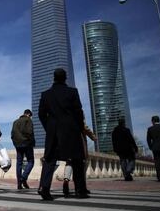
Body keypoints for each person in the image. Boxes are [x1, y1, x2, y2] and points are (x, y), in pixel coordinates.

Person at [38, 68, 87, 200]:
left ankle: (44, 187)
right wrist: (80, 128)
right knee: (76, 159)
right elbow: (78, 112)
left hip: (53, 129)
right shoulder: (72, 92)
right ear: (65, 78)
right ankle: (80, 190)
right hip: (71, 129)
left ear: (54, 78)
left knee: (49, 159)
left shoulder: (46, 94)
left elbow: (41, 114)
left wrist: (49, 127)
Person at [62, 118, 96, 196]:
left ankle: (66, 180)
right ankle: (81, 187)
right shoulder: (76, 109)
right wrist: (92, 136)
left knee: (69, 161)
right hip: (78, 139)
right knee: (81, 163)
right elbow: (84, 126)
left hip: (67, 139)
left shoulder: (64, 111)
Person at [11, 109, 35, 189]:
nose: (30, 117)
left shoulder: (15, 122)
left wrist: (15, 143)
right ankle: (23, 178)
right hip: (27, 143)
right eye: (30, 116)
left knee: (19, 163)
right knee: (31, 161)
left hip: (18, 145)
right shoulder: (28, 120)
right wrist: (31, 142)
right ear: (28, 114)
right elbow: (30, 132)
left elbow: (12, 135)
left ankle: (19, 183)